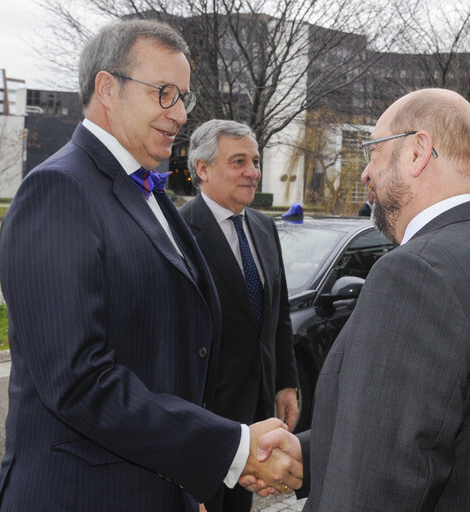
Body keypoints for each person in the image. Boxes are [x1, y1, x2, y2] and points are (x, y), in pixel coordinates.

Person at [0, 20, 301, 512]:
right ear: (107, 88)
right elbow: (78, 381)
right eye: (164, 93)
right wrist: (229, 449)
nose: (179, 114)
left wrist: (190, 477)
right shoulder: (59, 191)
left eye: (183, 97)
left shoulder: (148, 191)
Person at [248, 88, 470, 510]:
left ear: (417, 151)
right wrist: (312, 455)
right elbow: (441, 435)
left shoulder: (415, 272)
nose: (365, 174)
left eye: (373, 152)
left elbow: (375, 488)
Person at [179, 120, 299, 512]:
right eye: (238, 161)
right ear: (202, 168)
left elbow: (276, 316)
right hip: (205, 417)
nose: (253, 172)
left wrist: (285, 384)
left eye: (255, 161)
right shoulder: (178, 232)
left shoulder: (264, 228)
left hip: (259, 409)